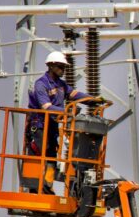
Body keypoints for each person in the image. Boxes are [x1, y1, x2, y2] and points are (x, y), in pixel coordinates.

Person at [22, 51, 90, 193]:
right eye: (60, 66)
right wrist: (67, 111)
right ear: (51, 66)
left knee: (51, 158)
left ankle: (47, 188)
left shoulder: (61, 84)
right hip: (39, 126)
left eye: (64, 67)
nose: (63, 70)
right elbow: (46, 107)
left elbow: (74, 94)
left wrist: (92, 99)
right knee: (39, 156)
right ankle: (35, 190)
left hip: (52, 127)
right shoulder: (41, 84)